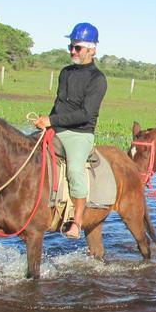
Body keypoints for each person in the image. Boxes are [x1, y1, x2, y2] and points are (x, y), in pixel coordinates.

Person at [35, 22, 107, 239]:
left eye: (78, 48)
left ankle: (76, 221)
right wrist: (46, 123)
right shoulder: (65, 72)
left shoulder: (98, 79)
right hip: (56, 127)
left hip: (80, 134)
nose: (73, 52)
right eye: (71, 47)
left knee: (75, 170)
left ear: (92, 50)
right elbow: (59, 104)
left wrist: (52, 120)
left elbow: (85, 114)